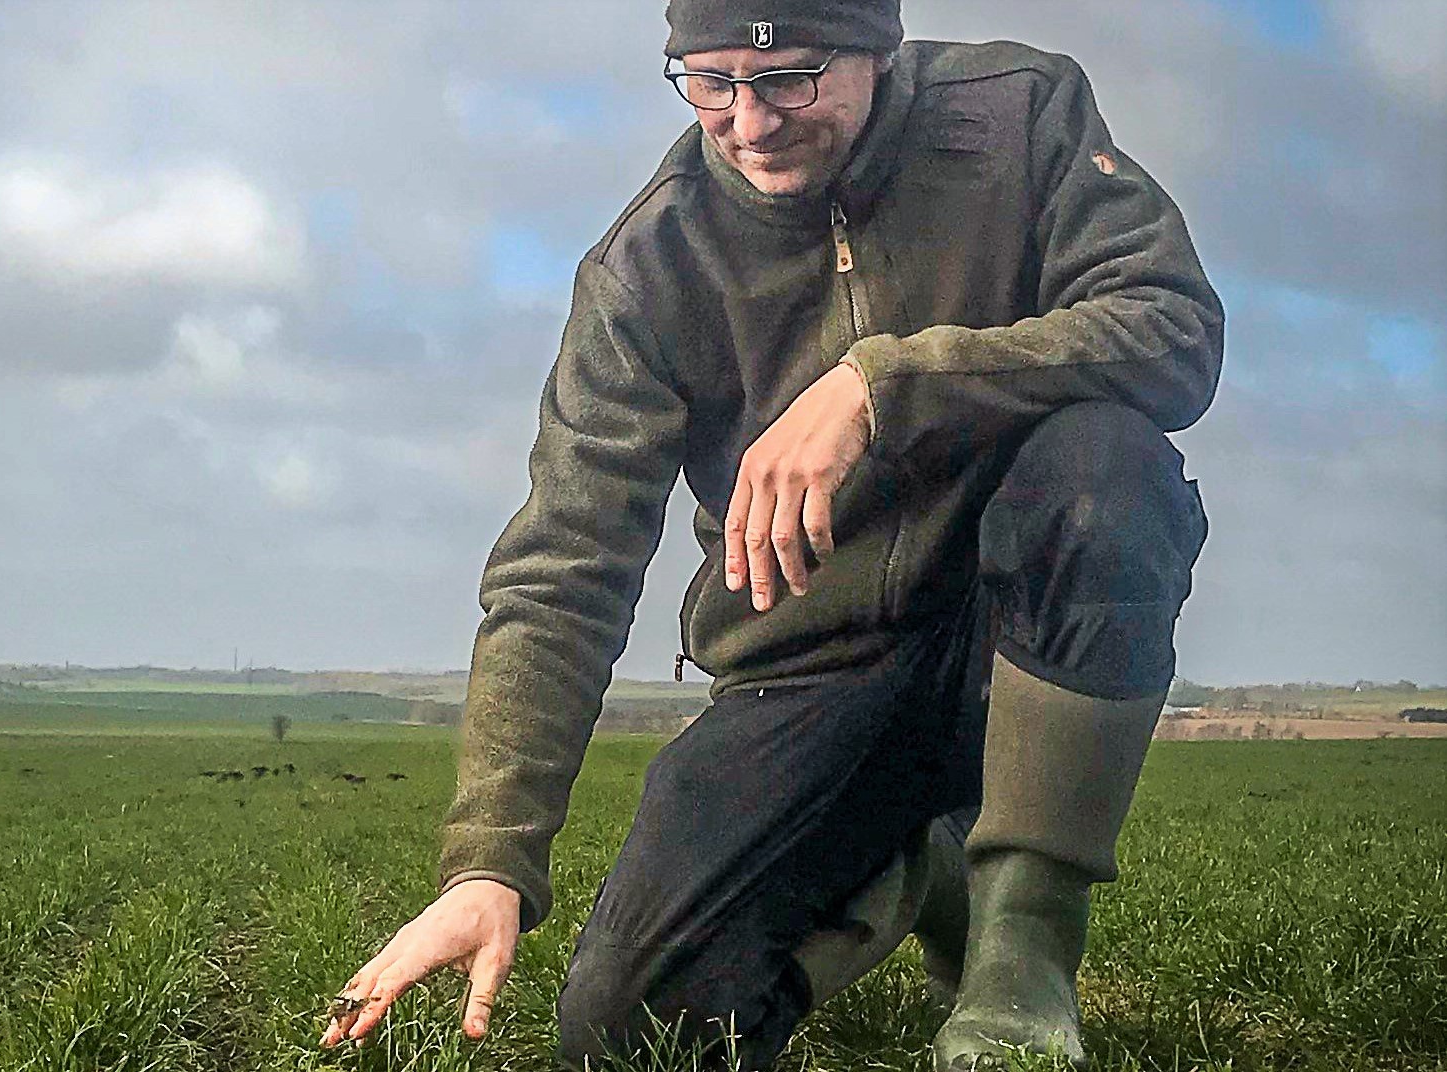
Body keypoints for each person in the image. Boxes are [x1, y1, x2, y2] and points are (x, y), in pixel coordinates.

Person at [321, 0, 1219, 1068]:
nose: (749, 122)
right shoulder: (648, 265)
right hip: (812, 664)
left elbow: (1171, 330)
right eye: (709, 82)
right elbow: (563, 563)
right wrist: (489, 861)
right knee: (630, 1031)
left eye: (790, 77)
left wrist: (880, 385)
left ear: (877, 54)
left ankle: (1020, 955)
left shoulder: (1021, 112)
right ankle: (924, 868)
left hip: (1010, 627)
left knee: (1106, 467)